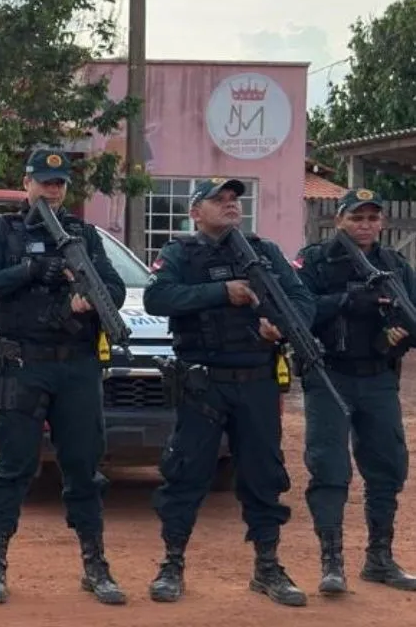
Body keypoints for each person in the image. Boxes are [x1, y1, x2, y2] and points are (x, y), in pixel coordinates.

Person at [0, 147, 127, 606]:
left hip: (76, 365)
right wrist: (32, 269)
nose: (52, 190)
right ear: (26, 184)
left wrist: (84, 294)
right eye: (44, 182)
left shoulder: (83, 234)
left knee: (83, 466)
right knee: (12, 466)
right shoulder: (4, 230)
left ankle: (95, 564)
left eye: (59, 184)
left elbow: (113, 288)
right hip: (24, 364)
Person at [143, 178, 312, 607]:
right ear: (196, 211)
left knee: (263, 475)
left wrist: (284, 325)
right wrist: (223, 292)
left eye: (235, 199)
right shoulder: (180, 253)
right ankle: (172, 564)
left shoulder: (264, 251)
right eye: (219, 199)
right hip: (203, 382)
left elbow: (302, 301)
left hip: (256, 381)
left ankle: (267, 567)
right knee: (187, 474)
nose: (231, 205)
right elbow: (157, 298)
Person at [293, 188, 416, 594]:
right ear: (339, 220)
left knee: (388, 465)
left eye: (372, 218)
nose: (365, 225)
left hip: (378, 376)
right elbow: (296, 311)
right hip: (330, 374)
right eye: (356, 218)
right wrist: (344, 300)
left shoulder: (394, 265)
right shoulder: (314, 261)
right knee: (329, 466)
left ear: (381, 222)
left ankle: (379, 559)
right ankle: (332, 563)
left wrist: (399, 337)